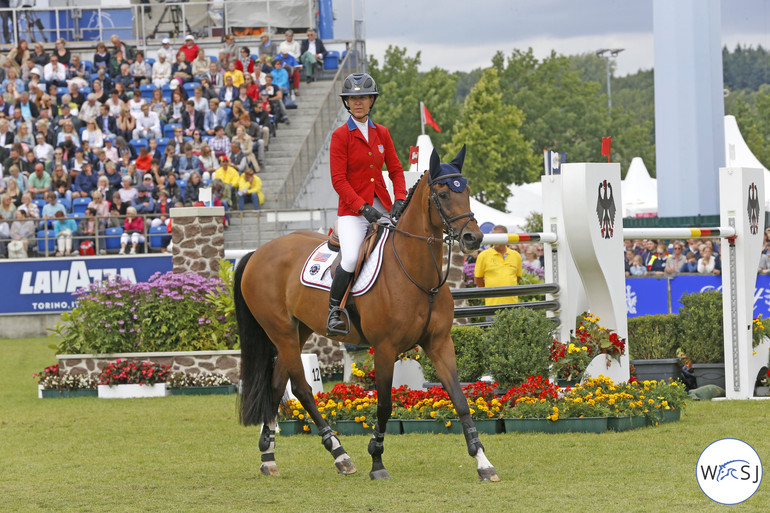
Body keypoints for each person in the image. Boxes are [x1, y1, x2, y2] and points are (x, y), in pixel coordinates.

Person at [326, 72, 407, 334]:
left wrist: (400, 198)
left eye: (363, 97)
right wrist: (362, 207)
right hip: (353, 212)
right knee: (350, 258)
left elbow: (395, 169)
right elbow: (338, 180)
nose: (358, 102)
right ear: (347, 103)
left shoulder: (382, 132)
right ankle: (334, 311)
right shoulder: (341, 136)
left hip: (382, 207)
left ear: (371, 100)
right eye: (353, 98)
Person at [473, 225, 523, 307]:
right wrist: (489, 293)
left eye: (498, 236)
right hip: (492, 305)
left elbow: (517, 277)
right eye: (493, 236)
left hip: (512, 305)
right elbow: (478, 278)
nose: (495, 239)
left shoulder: (516, 255)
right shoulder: (483, 255)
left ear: (506, 237)